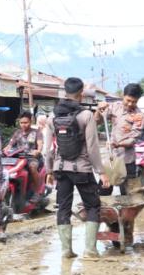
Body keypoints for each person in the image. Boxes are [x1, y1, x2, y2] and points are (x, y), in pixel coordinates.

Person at [43, 77, 110, 259]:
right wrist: (102, 172)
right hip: (82, 169)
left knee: (63, 207)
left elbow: (47, 149)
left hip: (60, 169)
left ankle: (66, 251)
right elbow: (93, 147)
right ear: (81, 94)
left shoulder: (52, 117)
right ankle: (90, 250)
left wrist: (49, 171)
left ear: (64, 92)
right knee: (93, 205)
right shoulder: (86, 115)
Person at [97, 83, 144, 196]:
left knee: (130, 196)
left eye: (134, 101)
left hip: (128, 161)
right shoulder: (114, 107)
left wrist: (117, 144)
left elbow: (133, 140)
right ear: (123, 96)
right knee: (102, 192)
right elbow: (97, 120)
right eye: (128, 100)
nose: (130, 104)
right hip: (111, 159)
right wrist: (99, 110)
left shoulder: (139, 116)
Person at [4, 111, 45, 209]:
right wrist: (5, 149)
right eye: (21, 123)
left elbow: (40, 144)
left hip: (32, 158)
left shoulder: (36, 132)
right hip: (18, 159)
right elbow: (9, 145)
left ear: (30, 122)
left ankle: (37, 192)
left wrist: (37, 151)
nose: (23, 125)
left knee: (32, 167)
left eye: (26, 122)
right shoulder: (17, 133)